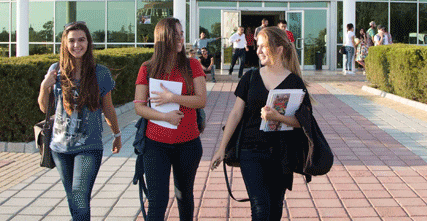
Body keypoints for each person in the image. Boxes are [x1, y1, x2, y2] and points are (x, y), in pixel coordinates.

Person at [210, 27, 313, 221]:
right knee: (260, 208)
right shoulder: (250, 77)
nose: (257, 51)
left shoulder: (295, 83)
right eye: (257, 46)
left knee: (275, 209)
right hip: (251, 150)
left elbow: (304, 122)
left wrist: (278, 117)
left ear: (280, 49)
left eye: (263, 46)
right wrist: (222, 147)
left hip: (282, 153)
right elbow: (235, 113)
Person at [38, 21, 121, 221]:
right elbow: (44, 108)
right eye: (72, 41)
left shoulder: (100, 73)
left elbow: (108, 108)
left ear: (88, 42)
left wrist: (117, 135)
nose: (77, 45)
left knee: (80, 198)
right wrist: (44, 86)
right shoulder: (55, 70)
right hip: (59, 148)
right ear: (65, 44)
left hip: (89, 146)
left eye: (81, 40)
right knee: (73, 200)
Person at [134, 17, 207, 221]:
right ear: (162, 38)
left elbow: (201, 100)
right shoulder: (147, 68)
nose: (180, 38)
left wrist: (172, 98)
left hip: (188, 143)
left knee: (184, 196)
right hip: (155, 144)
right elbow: (139, 107)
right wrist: (165, 116)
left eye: (181, 33)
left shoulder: (192, 64)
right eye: (175, 34)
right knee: (158, 202)